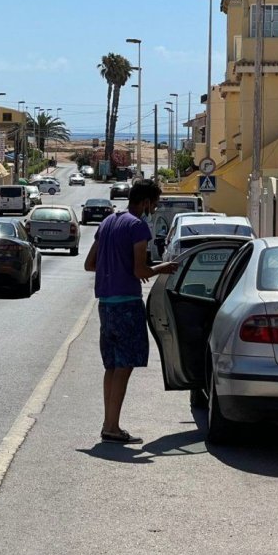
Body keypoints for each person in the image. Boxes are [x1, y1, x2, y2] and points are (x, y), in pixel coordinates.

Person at [84, 179, 178, 443]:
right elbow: (140, 271)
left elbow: (90, 264)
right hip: (127, 303)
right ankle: (112, 427)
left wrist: (111, 268)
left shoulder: (107, 223)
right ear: (146, 201)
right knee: (124, 366)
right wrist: (164, 267)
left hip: (106, 304)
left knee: (112, 366)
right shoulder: (138, 227)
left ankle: (108, 424)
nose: (154, 208)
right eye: (155, 203)